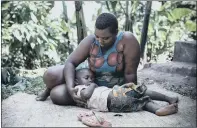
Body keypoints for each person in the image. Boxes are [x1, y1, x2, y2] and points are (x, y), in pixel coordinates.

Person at [36, 12, 178, 107]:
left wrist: (130, 96)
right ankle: (49, 87)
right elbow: (70, 62)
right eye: (98, 36)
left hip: (104, 88)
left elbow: (130, 75)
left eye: (106, 38)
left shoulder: (127, 41)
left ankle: (53, 90)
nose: (100, 41)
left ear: (116, 32)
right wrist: (70, 88)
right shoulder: (91, 40)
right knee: (51, 74)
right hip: (86, 80)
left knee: (57, 95)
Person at [74, 68, 178, 116]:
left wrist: (122, 87)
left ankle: (158, 110)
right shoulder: (80, 88)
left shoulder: (91, 88)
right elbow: (85, 95)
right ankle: (168, 98)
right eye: (86, 78)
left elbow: (109, 92)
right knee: (141, 91)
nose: (90, 80)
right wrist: (93, 85)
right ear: (76, 81)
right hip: (113, 98)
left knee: (141, 102)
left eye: (92, 78)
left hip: (113, 106)